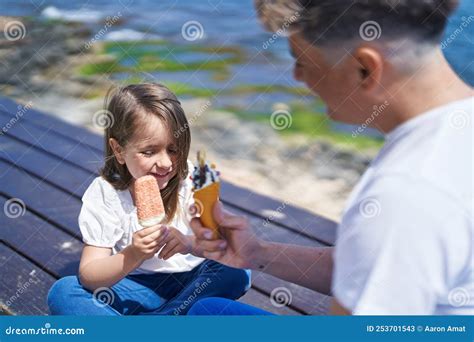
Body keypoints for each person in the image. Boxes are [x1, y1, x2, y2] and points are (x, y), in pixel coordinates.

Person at [188, 0, 473, 315]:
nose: (297, 76)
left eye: (302, 61)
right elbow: (375, 264)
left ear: (366, 68)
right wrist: (257, 253)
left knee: (209, 313)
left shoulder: (403, 193)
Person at [47, 83, 250, 315]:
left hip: (193, 279)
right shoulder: (106, 193)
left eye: (173, 150)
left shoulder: (191, 180)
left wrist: (190, 244)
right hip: (134, 285)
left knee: (238, 271)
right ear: (119, 150)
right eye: (149, 152)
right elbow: (90, 276)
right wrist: (133, 253)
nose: (165, 163)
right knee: (64, 292)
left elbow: (221, 243)